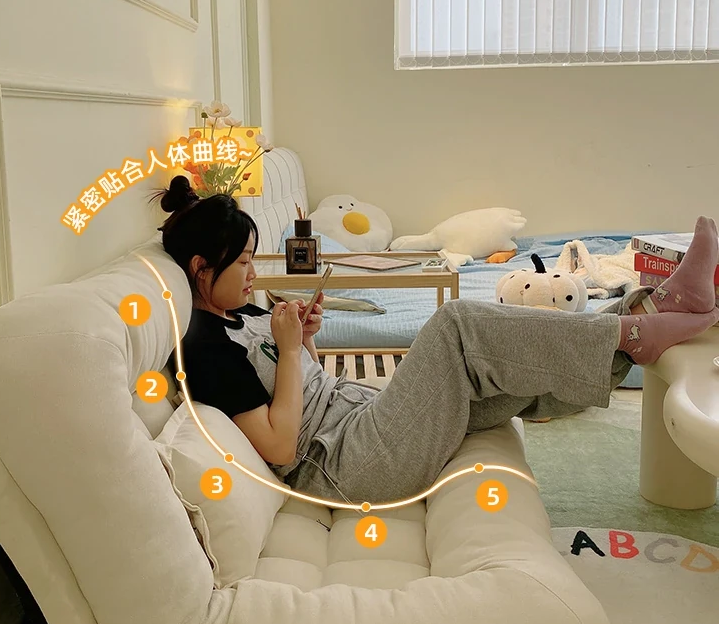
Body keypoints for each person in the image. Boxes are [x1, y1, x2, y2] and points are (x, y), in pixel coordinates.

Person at [154, 176, 719, 507]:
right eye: (243, 262)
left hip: (359, 416)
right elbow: (280, 447)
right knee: (454, 326)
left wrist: (304, 341)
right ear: (202, 268)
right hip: (344, 465)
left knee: (506, 372)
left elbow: (308, 384)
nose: (254, 274)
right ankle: (637, 329)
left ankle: (646, 310)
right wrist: (288, 354)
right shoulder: (202, 348)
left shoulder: (242, 311)